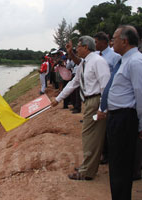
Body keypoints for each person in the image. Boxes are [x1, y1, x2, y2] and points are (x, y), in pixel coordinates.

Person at [51, 36, 110, 180]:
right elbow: (74, 83)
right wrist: (58, 99)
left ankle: (87, 171)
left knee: (91, 136)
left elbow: (106, 85)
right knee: (89, 135)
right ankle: (88, 166)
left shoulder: (98, 62)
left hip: (96, 103)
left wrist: (103, 107)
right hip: (89, 103)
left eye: (79, 46)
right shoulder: (84, 63)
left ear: (86, 47)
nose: (77, 49)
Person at [97, 25, 142, 200]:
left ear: (124, 41)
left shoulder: (136, 62)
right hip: (116, 118)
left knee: (122, 166)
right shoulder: (124, 60)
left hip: (125, 119)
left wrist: (140, 125)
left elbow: (140, 94)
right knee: (116, 165)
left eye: (114, 39)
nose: (111, 42)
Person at [94, 31, 121, 165]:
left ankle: (109, 154)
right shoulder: (95, 56)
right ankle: (104, 152)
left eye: (96, 42)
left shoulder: (115, 57)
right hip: (98, 94)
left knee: (108, 125)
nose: (95, 44)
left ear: (104, 42)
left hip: (110, 94)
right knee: (101, 125)